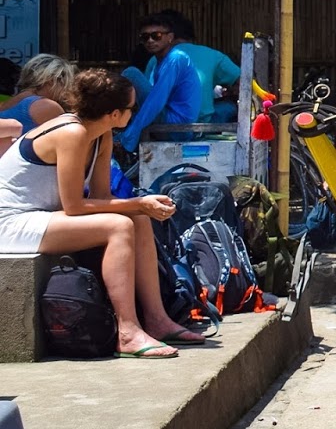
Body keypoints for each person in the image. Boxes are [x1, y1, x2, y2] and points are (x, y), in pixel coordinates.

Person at [0, 69, 207, 357]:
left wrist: (141, 206)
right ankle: (128, 332)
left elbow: (101, 198)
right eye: (130, 108)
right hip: (10, 222)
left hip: (42, 215)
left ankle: (158, 320)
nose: (133, 113)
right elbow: (74, 206)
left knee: (138, 219)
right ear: (113, 113)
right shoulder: (71, 132)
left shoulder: (101, 135)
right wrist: (138, 202)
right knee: (119, 226)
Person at [118, 12, 203, 152]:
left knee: (131, 73)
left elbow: (155, 101)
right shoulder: (158, 63)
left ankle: (113, 124)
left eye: (156, 36)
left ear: (170, 37)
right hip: (170, 123)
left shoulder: (175, 58)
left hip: (176, 128)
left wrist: (128, 138)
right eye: (145, 37)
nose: (150, 41)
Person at [155, 10, 242, 124]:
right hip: (199, 124)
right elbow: (245, 82)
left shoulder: (157, 59)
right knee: (229, 106)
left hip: (166, 124)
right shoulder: (212, 55)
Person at [0, 54, 73, 134]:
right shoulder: (48, 107)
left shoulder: (7, 103)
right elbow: (68, 142)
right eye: (65, 83)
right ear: (51, 80)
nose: (66, 90)